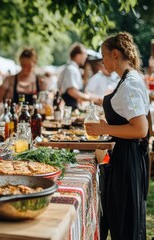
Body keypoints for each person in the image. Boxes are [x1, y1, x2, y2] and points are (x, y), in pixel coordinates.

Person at [85, 32, 149, 240]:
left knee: (126, 223)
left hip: (128, 160)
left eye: (103, 55)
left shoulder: (130, 83)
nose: (102, 61)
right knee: (121, 220)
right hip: (125, 157)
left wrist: (105, 130)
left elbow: (141, 129)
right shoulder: (129, 79)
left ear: (115, 54)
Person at [0, 49, 46, 117]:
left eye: (29, 66)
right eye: (23, 65)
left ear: (34, 64)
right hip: (13, 121)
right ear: (20, 63)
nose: (25, 69)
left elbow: (44, 104)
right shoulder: (9, 80)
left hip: (33, 122)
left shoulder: (39, 81)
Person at [57, 43, 100, 109]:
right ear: (78, 55)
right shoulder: (71, 69)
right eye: (84, 54)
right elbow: (72, 91)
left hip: (71, 108)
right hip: (70, 109)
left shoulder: (69, 68)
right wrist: (91, 98)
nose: (86, 57)